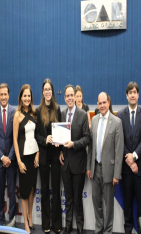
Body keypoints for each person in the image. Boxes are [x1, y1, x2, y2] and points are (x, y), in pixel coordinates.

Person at [87, 92, 124, 234]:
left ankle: (108, 231)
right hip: (95, 168)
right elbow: (91, 147)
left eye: (104, 102)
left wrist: (117, 174)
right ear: (97, 104)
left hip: (109, 171)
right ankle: (99, 230)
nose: (102, 105)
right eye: (99, 103)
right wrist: (89, 167)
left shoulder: (116, 122)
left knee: (108, 206)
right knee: (97, 203)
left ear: (108, 103)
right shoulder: (94, 120)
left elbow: (119, 150)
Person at [118, 82, 141, 234]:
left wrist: (135, 156)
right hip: (126, 168)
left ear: (138, 95)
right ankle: (128, 229)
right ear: (126, 95)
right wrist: (130, 161)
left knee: (140, 203)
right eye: (130, 92)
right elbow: (120, 140)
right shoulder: (120, 114)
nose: (132, 95)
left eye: (134, 92)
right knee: (128, 201)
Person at [59, 84, 91, 234]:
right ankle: (68, 226)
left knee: (78, 198)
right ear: (64, 98)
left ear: (75, 96)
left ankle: (79, 226)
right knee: (68, 198)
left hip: (78, 164)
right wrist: (60, 151)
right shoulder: (62, 114)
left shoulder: (83, 115)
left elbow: (87, 138)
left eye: (72, 95)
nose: (70, 98)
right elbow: (60, 138)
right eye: (68, 96)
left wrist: (74, 144)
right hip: (65, 164)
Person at [36, 79, 62, 234]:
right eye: (45, 89)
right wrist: (45, 140)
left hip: (55, 156)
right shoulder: (38, 111)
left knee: (56, 190)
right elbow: (36, 134)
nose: (47, 92)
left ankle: (57, 224)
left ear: (52, 92)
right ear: (43, 92)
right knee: (45, 190)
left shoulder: (57, 109)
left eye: (49, 89)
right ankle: (46, 223)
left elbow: (61, 131)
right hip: (44, 157)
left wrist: (59, 144)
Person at [13, 84, 39, 234]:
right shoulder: (17, 115)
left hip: (33, 158)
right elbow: (15, 140)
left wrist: (38, 155)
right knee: (24, 192)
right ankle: (25, 223)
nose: (27, 98)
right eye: (25, 96)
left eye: (29, 96)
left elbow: (37, 137)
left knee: (31, 190)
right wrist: (19, 161)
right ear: (21, 98)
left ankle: (30, 216)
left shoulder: (35, 114)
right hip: (23, 159)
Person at [0, 83, 17, 226]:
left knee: (12, 194)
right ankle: (1, 221)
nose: (3, 97)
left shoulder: (14, 112)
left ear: (9, 95)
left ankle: (12, 220)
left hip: (11, 161)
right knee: (0, 194)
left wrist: (9, 157)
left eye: (5, 94)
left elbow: (15, 137)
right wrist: (2, 157)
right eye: (1, 94)